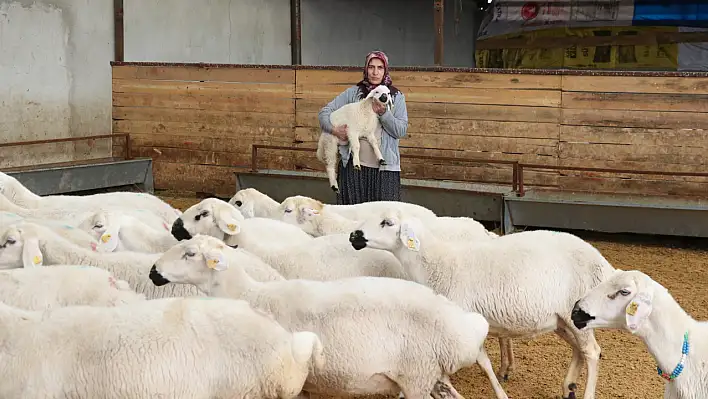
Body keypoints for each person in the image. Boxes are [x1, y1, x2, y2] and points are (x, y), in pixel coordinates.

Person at [317, 50, 409, 205]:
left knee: (384, 219)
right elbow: (324, 113)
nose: (375, 72)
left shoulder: (396, 97)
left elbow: (401, 130)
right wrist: (334, 130)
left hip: (386, 171)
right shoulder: (354, 93)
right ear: (366, 69)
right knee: (352, 216)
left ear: (385, 70)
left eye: (380, 68)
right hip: (354, 168)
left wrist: (384, 114)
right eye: (371, 67)